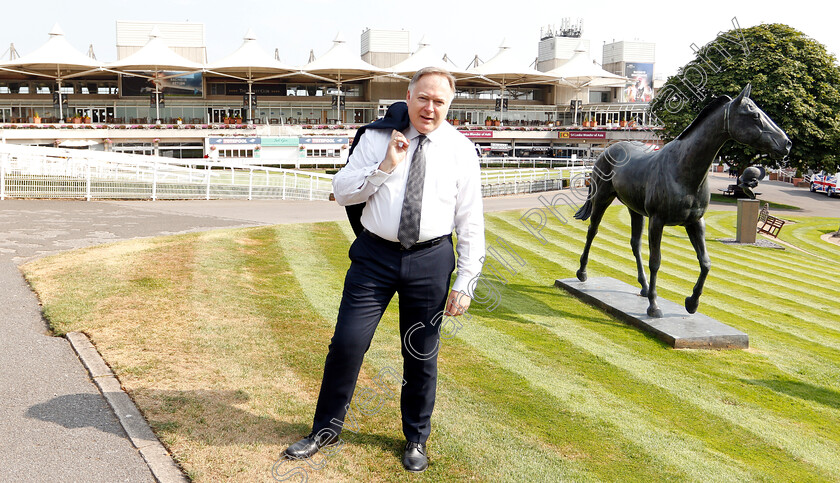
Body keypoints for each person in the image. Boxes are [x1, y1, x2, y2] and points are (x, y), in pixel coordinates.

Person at [283, 66, 485, 473]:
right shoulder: (378, 138)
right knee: (347, 344)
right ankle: (325, 429)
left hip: (430, 260)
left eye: (439, 101)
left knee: (421, 354)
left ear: (450, 105)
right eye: (423, 98)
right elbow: (341, 191)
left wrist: (465, 280)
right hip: (374, 258)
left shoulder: (461, 149)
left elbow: (470, 221)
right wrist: (386, 166)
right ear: (407, 97)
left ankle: (415, 438)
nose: (430, 107)